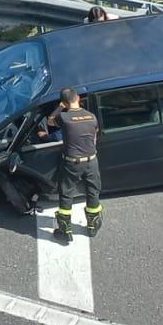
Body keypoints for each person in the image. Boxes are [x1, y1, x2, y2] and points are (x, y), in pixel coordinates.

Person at [48, 87, 103, 241]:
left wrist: (60, 107)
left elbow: (50, 120)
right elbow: (94, 139)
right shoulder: (91, 116)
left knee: (66, 193)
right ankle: (93, 226)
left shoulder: (64, 117)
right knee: (93, 191)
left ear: (65, 103)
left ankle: (65, 231)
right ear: (78, 98)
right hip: (91, 160)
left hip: (72, 162)